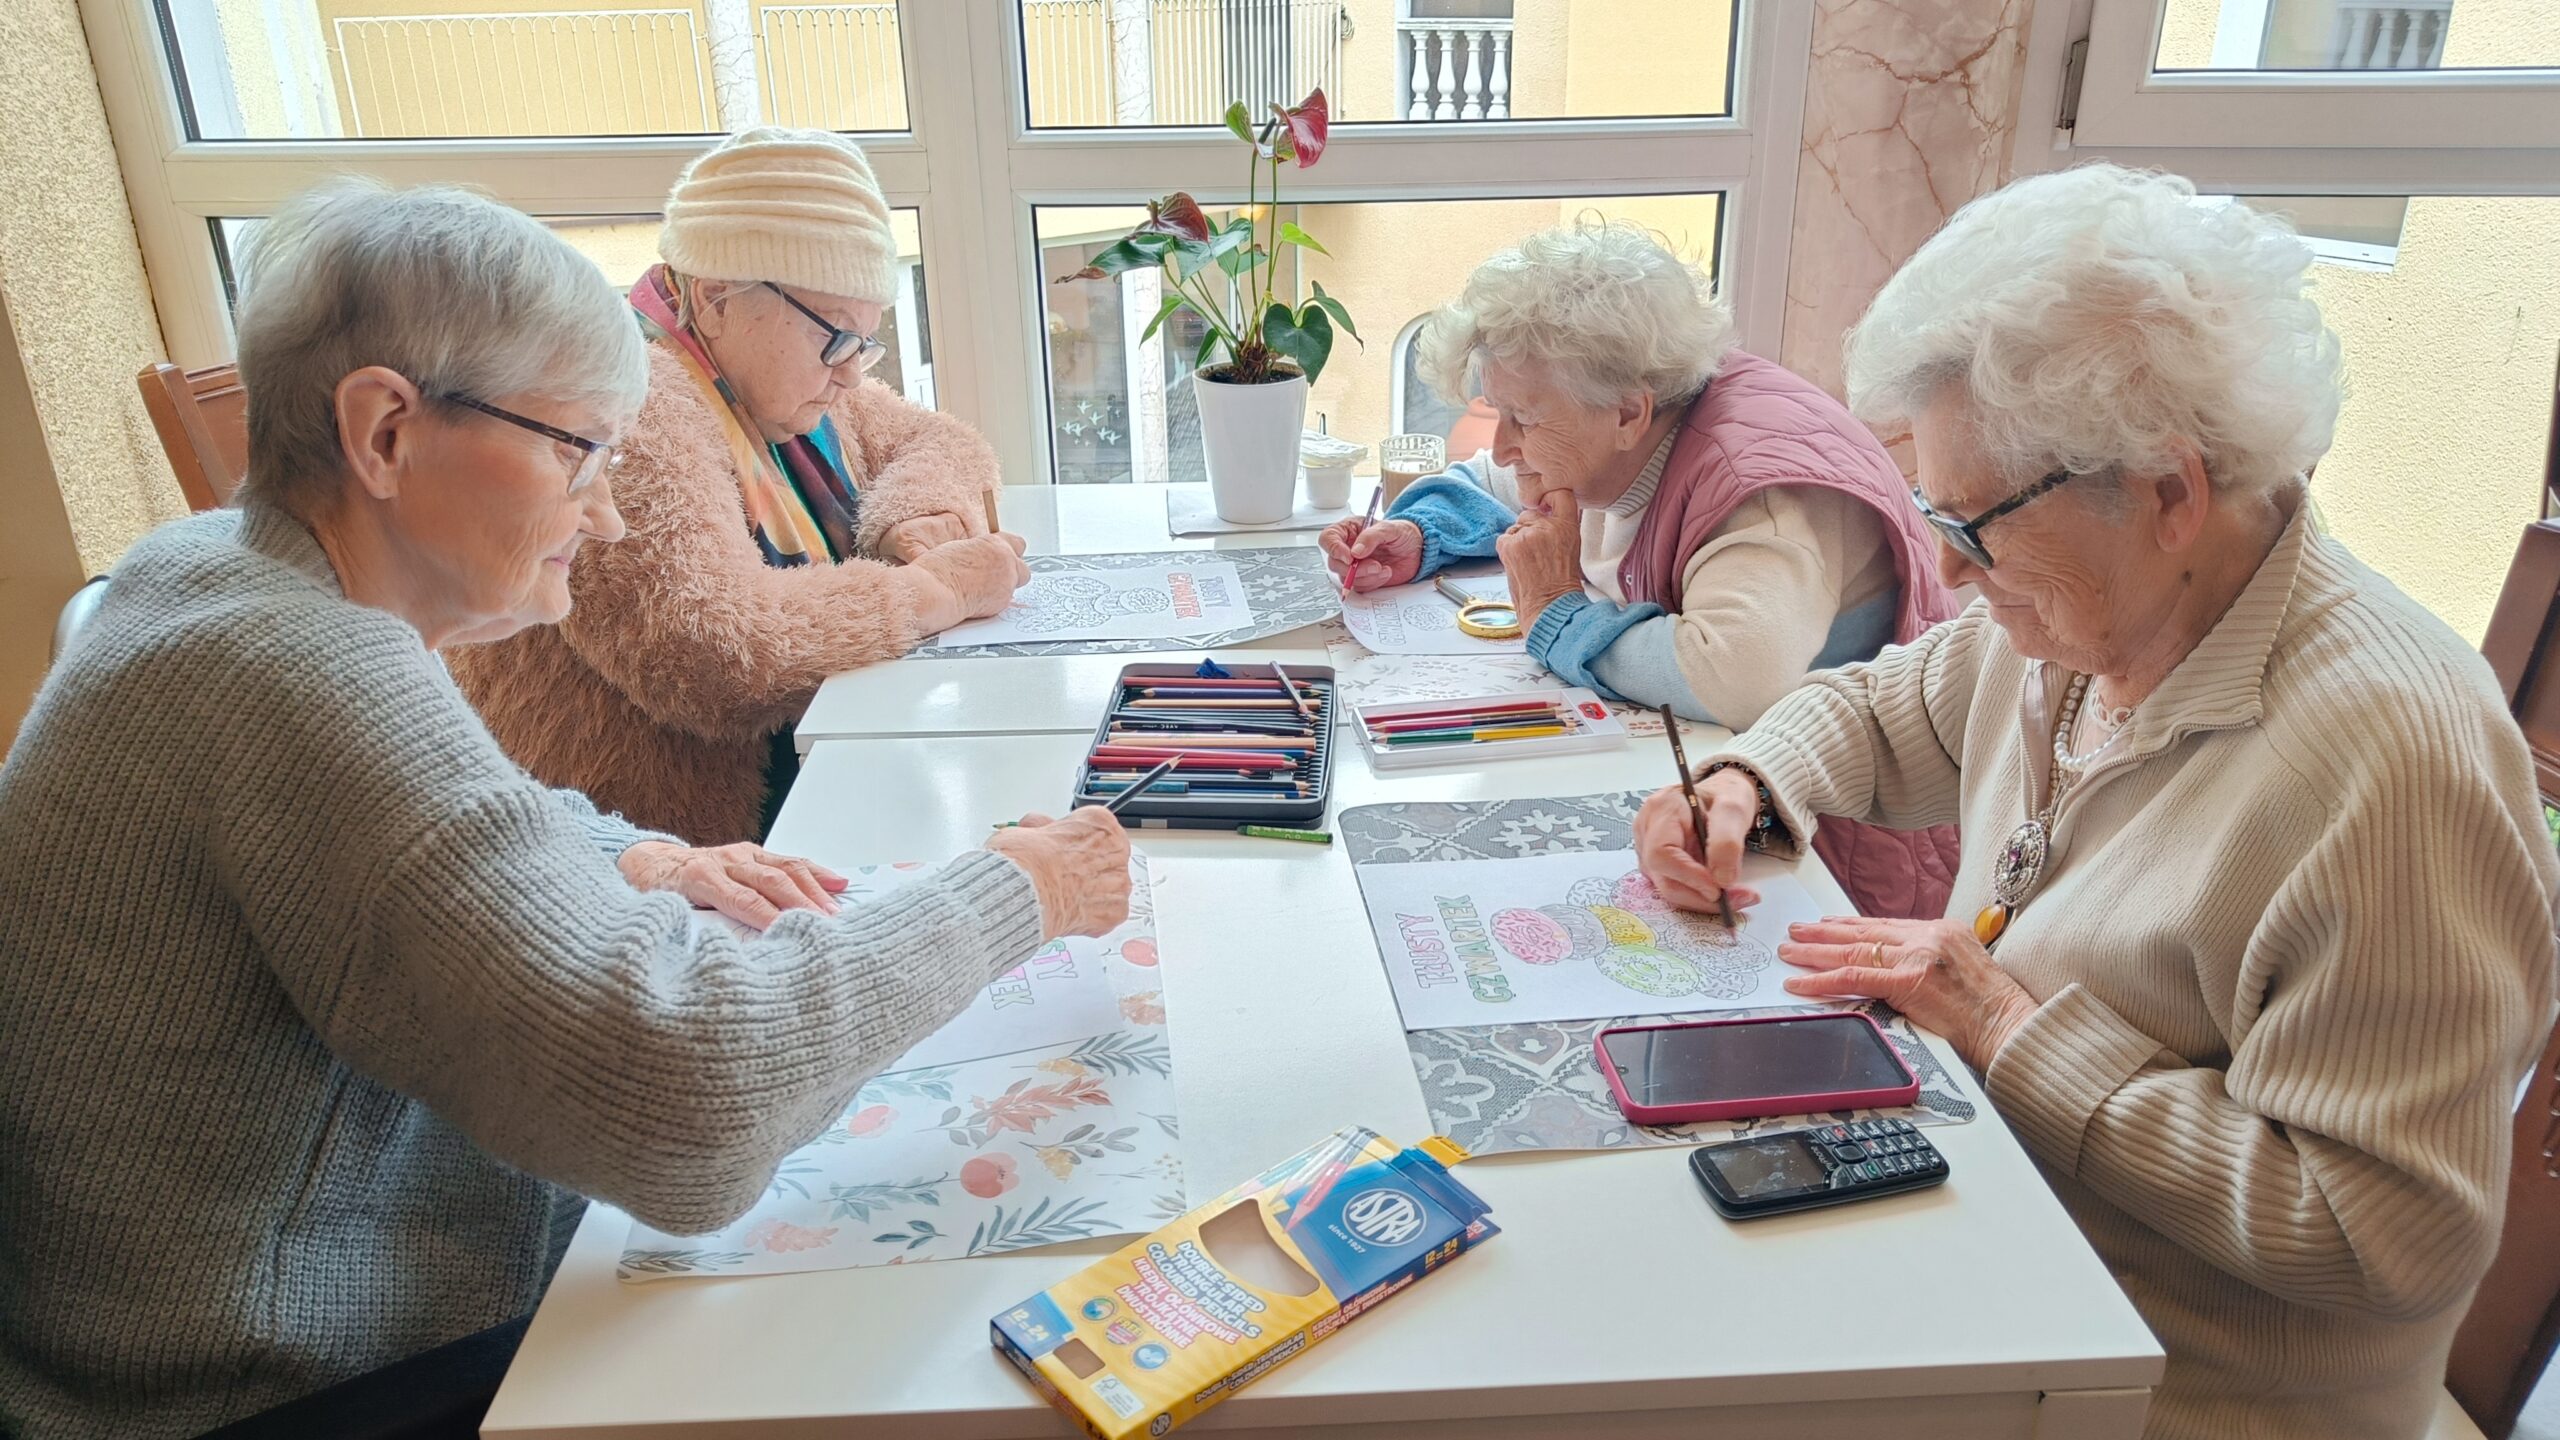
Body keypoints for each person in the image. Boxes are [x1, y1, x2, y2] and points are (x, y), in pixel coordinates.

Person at [0, 179, 1131, 1440]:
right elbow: (693, 1107)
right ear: (384, 432)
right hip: (279, 1388)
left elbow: (463, 812)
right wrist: (1019, 894)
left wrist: (643, 859)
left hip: (257, 1315)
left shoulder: (208, 566)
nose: (608, 511)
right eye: (574, 450)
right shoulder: (304, 674)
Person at [1636, 166, 2559, 1440]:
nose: (1948, 569)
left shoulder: (2395, 772)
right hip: (2000, 1256)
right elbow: (1886, 709)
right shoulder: (2085, 614)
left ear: (2170, 492)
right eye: (1932, 513)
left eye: (1975, 524)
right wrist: (1744, 780)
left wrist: (2006, 1026)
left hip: (2164, 1394)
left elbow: (2380, 1234)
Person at [1324, 220, 1962, 916]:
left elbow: (1734, 678)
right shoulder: (1612, 426)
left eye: (1523, 419)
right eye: (1497, 411)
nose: (1503, 443)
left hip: (1825, 850)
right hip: (1730, 796)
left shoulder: (1759, 492)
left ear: (1630, 413)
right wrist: (1422, 532)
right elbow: (1496, 477)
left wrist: (1555, 612)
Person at [449, 128, 1028, 844]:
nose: (853, 373)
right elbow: (714, 650)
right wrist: (933, 591)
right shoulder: (631, 402)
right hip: (659, 849)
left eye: (866, 342)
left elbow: (942, 439)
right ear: (719, 297)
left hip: (801, 790)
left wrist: (918, 514)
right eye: (835, 337)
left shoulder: (773, 384)